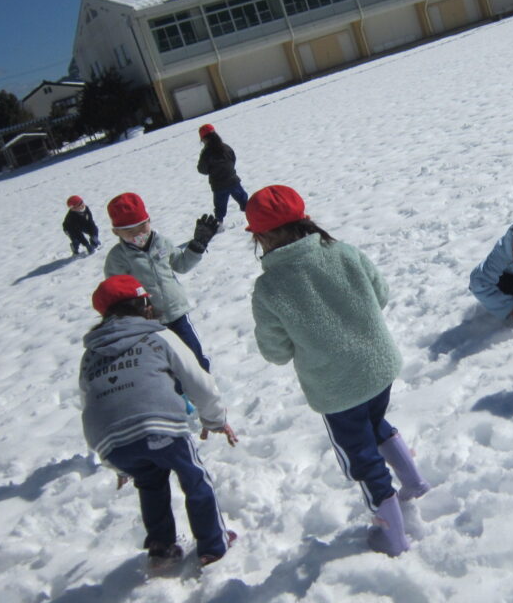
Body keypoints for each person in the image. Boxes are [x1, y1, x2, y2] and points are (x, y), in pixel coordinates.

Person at [246, 185, 429, 557]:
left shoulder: (269, 289)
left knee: (361, 458)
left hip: (338, 390)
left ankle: (392, 538)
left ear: (261, 237)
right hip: (378, 369)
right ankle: (414, 481)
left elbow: (276, 352)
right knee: (375, 422)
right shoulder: (343, 252)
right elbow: (381, 294)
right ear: (305, 219)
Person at [80, 275, 238, 568]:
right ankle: (213, 545)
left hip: (109, 441)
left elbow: (90, 405)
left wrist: (115, 462)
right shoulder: (158, 335)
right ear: (143, 304)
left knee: (149, 482)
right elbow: (198, 381)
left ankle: (161, 547)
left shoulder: (90, 355)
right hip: (160, 426)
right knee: (194, 477)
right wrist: (215, 420)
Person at [104, 192, 220, 371]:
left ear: (149, 221)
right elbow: (116, 293)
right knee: (165, 364)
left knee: (193, 355)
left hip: (177, 312)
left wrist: (197, 246)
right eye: (130, 231)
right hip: (149, 322)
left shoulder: (162, 242)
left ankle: (205, 381)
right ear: (116, 232)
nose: (139, 234)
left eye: (142, 226)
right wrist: (134, 309)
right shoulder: (118, 258)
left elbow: (181, 264)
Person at [196, 123, 250, 227]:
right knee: (245, 202)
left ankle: (219, 225)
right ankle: (254, 217)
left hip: (218, 185)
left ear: (204, 139)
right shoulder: (226, 147)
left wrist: (211, 170)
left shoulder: (206, 153)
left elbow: (202, 169)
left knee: (219, 209)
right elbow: (233, 159)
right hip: (233, 181)